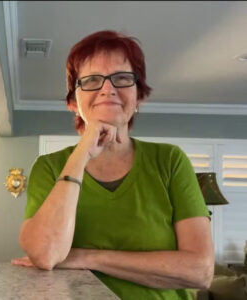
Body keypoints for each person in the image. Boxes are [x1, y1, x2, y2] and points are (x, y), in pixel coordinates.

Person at [12, 30, 214, 300]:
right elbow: (47, 254)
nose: (108, 89)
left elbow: (200, 272)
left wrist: (86, 257)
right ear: (73, 102)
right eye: (92, 80)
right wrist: (82, 153)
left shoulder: (170, 161)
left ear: (139, 96)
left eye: (121, 78)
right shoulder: (49, 167)